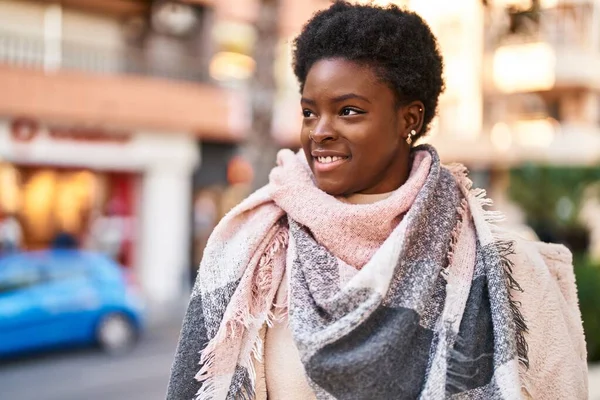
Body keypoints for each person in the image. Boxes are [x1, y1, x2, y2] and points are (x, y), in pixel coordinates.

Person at [167, 2, 587, 399]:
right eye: (310, 112)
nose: (319, 132)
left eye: (349, 111)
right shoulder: (252, 247)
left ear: (410, 119)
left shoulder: (501, 261)